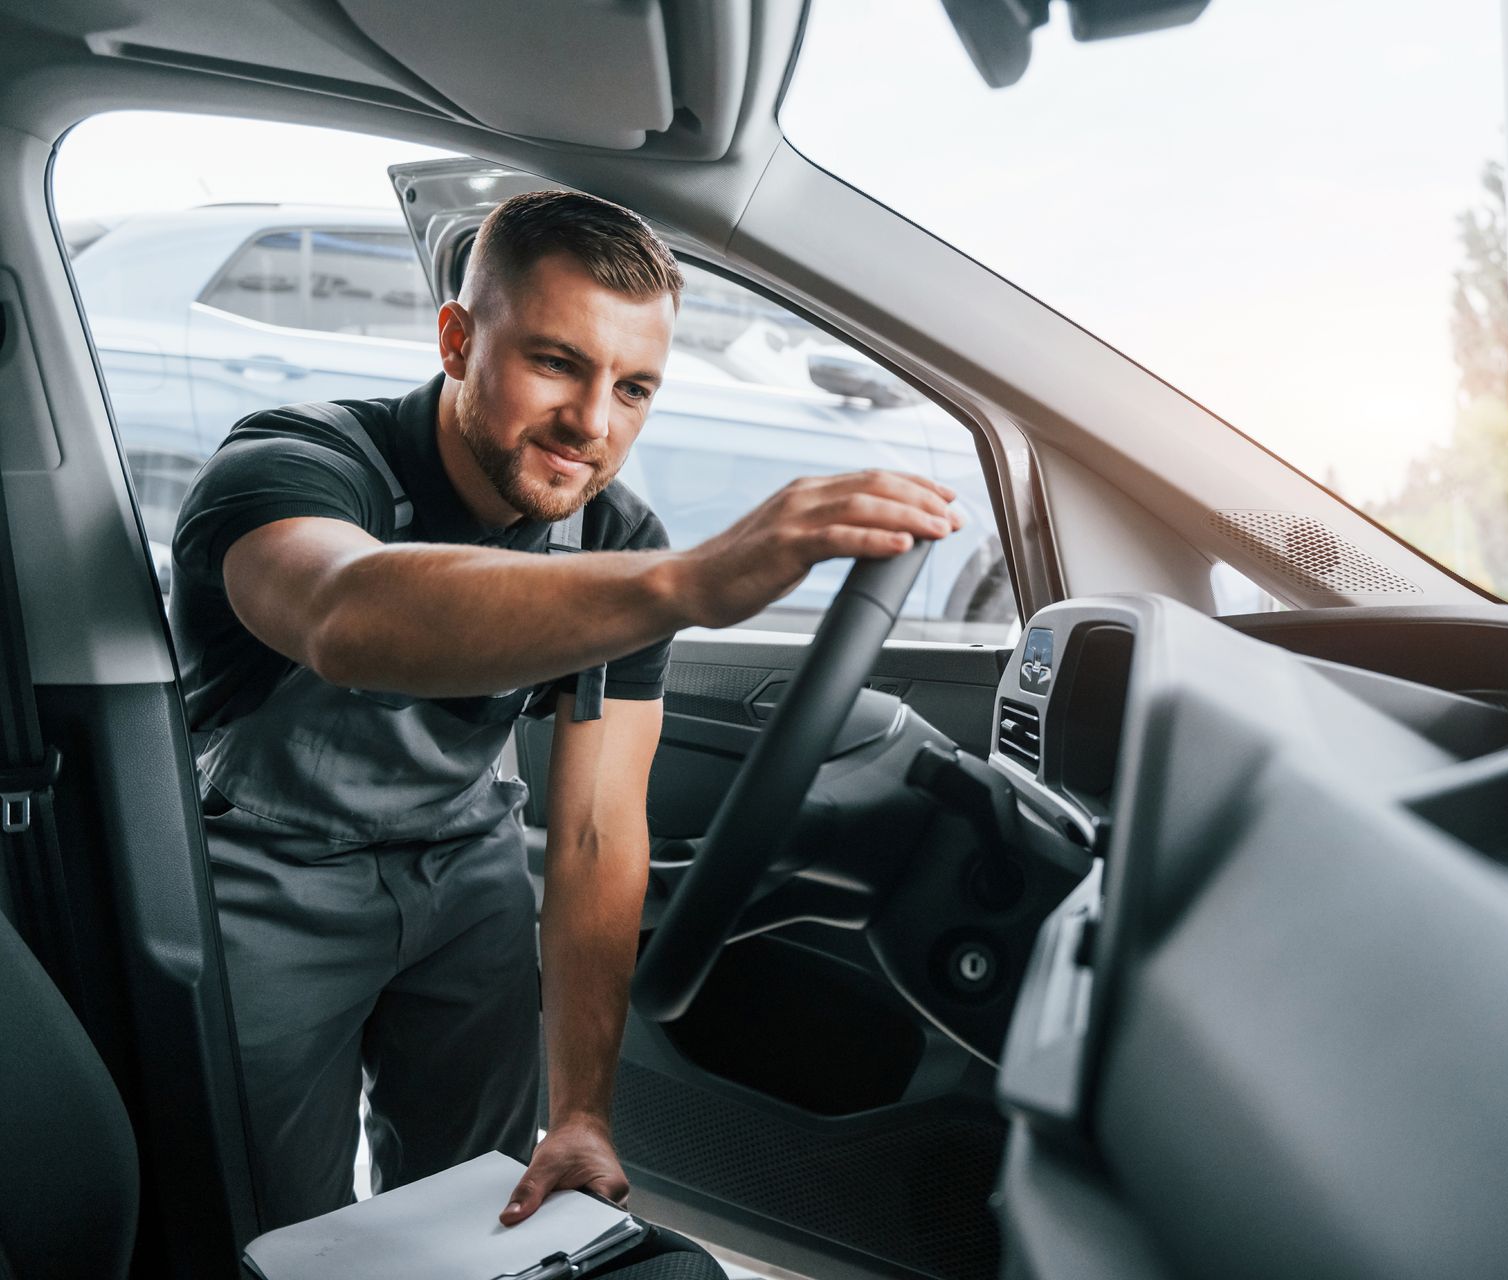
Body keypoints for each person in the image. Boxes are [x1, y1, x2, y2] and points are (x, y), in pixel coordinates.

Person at [167, 189, 962, 1231]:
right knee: (275, 1228)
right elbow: (342, 611)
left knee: (472, 1201)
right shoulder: (292, 464)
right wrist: (685, 581)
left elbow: (594, 825)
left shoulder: (614, 532)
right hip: (266, 873)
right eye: (556, 362)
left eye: (633, 387)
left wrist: (584, 1107)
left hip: (465, 860)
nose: (593, 423)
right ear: (458, 339)